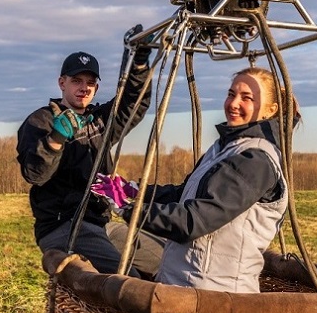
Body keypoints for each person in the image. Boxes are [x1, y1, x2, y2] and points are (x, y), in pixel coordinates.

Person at [93, 66, 295, 293]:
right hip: (185, 284)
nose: (234, 103)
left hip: (216, 294)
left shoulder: (255, 160)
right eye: (231, 94)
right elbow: (183, 195)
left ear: (270, 110)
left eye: (246, 98)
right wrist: (135, 190)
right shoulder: (224, 148)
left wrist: (128, 210)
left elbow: (194, 221)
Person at [16, 34, 154, 276]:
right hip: (63, 225)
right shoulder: (41, 121)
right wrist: (56, 139)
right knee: (129, 282)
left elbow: (133, 104)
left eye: (90, 82)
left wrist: (140, 65)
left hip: (100, 222)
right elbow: (35, 174)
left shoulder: (99, 121)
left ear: (96, 88)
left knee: (162, 263)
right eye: (77, 81)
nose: (84, 88)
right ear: (62, 83)